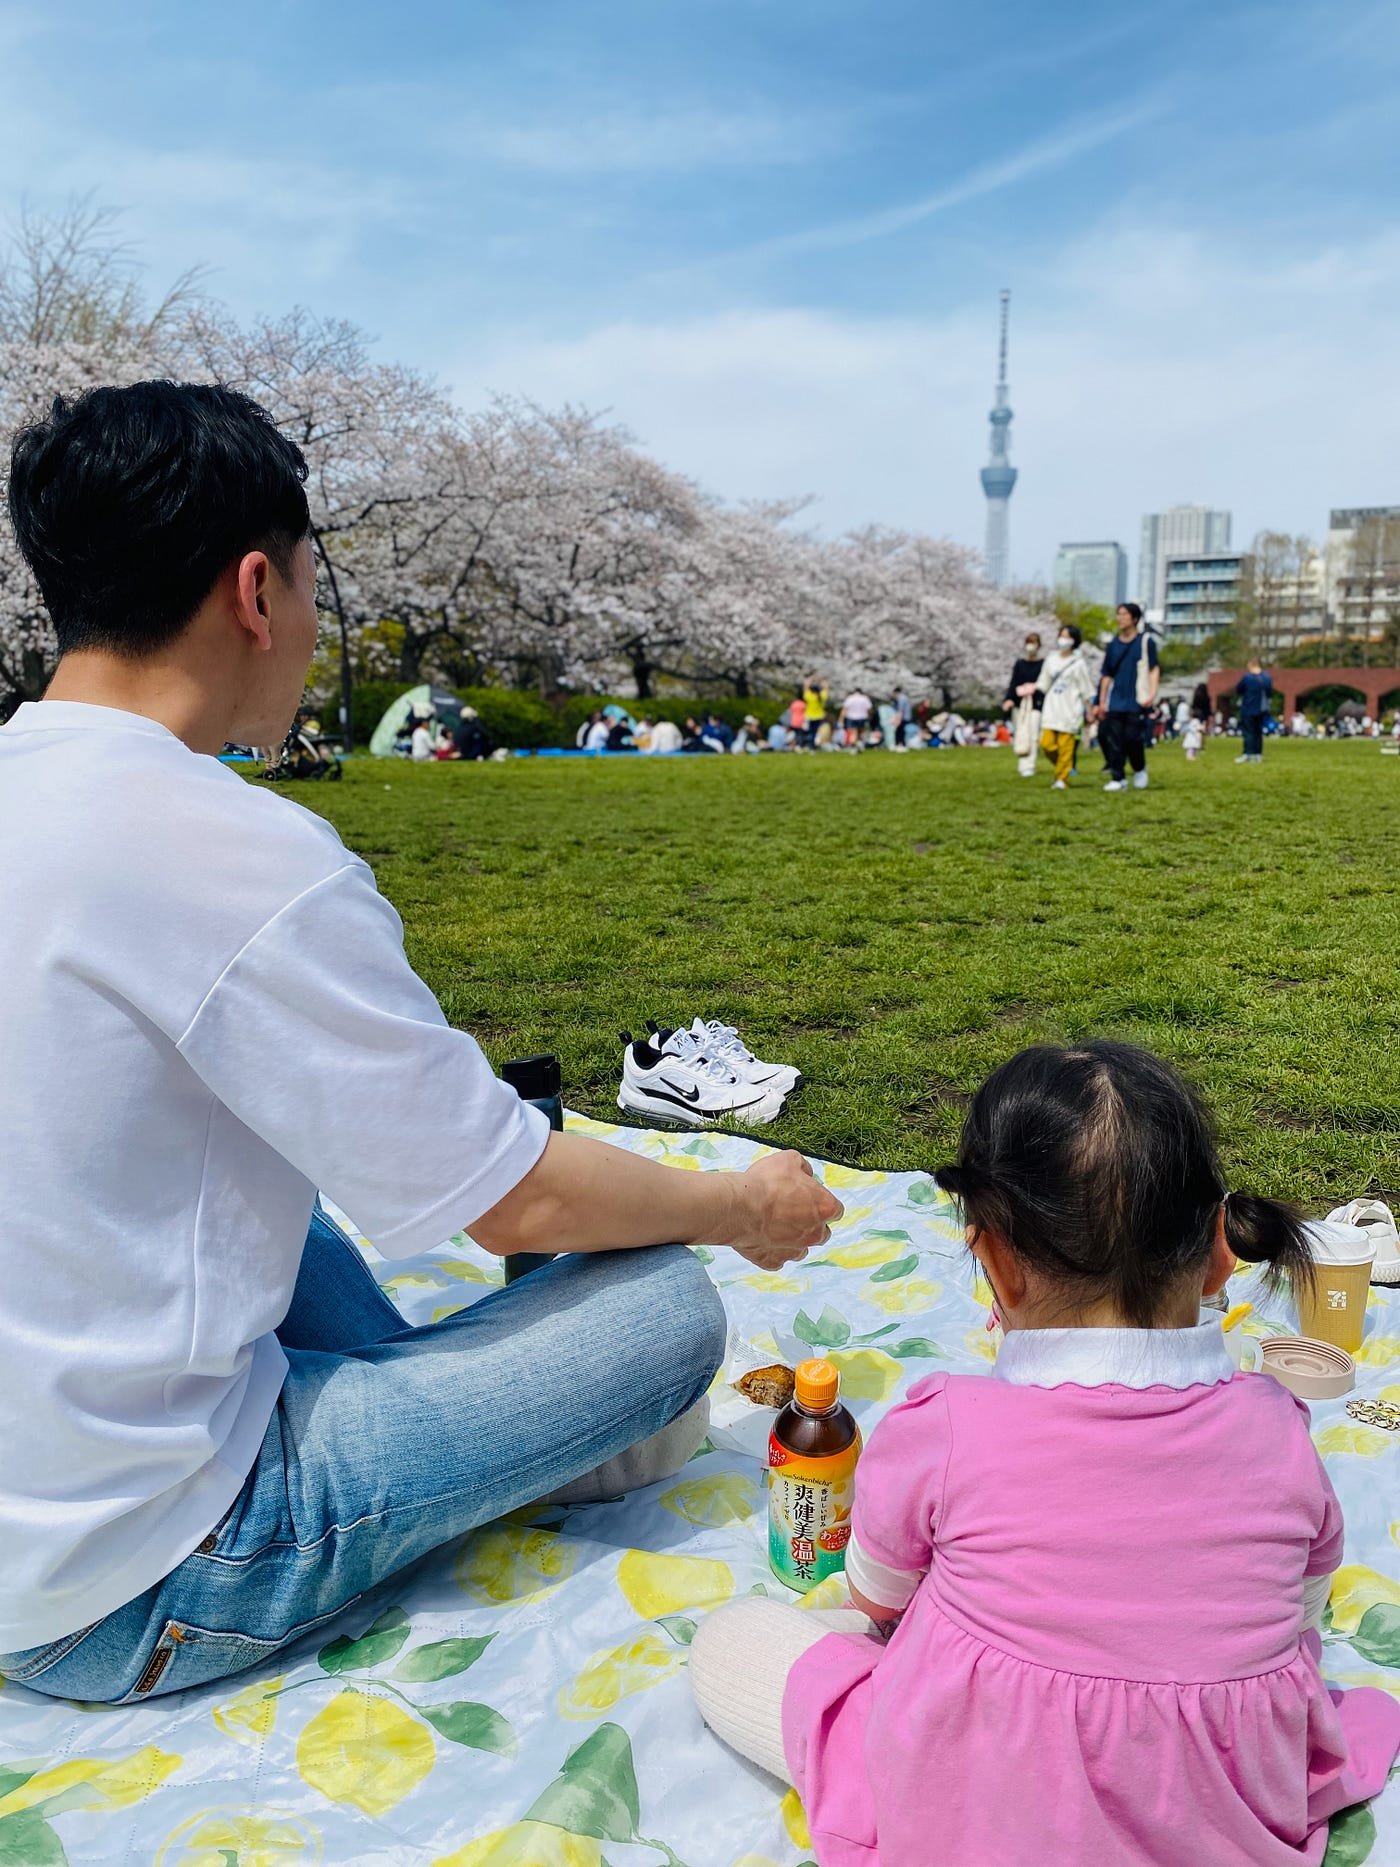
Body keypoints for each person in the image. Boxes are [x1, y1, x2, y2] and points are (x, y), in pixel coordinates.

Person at [0, 381, 841, 1702]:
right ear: (256, 592)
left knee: (302, 1219)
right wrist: (740, 1200)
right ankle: (484, 1435)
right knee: (668, 1308)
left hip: (36, 1463)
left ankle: (456, 1412)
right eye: (314, 583)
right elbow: (512, 1194)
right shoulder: (235, 853)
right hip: (139, 1571)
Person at [691, 1039, 1400, 1865]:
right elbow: (1299, 1620)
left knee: (737, 1638)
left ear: (991, 1258)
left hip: (985, 1795)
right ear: (1218, 1251)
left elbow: (878, 1596)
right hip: (1217, 1803)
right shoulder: (1279, 1427)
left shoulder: (945, 1425)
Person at [1097, 601, 1159, 792]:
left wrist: (1152, 693)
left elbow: (1153, 668)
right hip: (1116, 699)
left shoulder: (1145, 641)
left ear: (1134, 618)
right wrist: (1101, 700)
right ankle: (1118, 777)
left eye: (1124, 614)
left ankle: (1139, 768)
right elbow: (1106, 674)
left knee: (1133, 738)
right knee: (1113, 739)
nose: (1120, 618)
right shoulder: (1113, 645)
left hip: (1136, 698)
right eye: (1118, 614)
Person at [1035, 624, 1097, 791]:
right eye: (1061, 635)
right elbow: (1043, 682)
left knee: (1066, 747)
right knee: (1047, 744)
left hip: (1070, 709)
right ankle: (1063, 767)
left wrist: (1089, 710)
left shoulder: (1079, 663)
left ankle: (1062, 778)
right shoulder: (1051, 659)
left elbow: (1086, 689)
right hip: (1052, 707)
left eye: (1067, 636)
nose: (1063, 639)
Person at [1003, 630, 1044, 779]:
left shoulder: (1043, 664)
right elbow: (1013, 682)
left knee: (1033, 734)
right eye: (1028, 642)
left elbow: (1045, 684)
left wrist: (1034, 688)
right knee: (1021, 733)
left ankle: (1030, 764)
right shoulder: (1020, 664)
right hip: (1020, 705)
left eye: (1033, 643)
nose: (1030, 646)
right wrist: (1009, 699)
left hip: (1035, 705)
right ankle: (1022, 762)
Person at [1235, 659, 1273, 765]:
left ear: (1251, 666)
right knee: (1258, 732)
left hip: (1248, 707)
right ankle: (1258, 754)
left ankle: (1248, 753)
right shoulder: (1267, 677)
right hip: (1262, 709)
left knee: (1249, 732)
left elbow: (1238, 689)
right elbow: (1269, 692)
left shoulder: (1247, 677)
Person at [802, 676, 829, 748]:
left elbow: (805, 688)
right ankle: (812, 746)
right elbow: (826, 689)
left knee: (807, 731)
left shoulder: (809, 696)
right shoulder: (822, 696)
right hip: (819, 716)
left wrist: (809, 679)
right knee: (814, 732)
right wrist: (823, 681)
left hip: (809, 716)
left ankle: (805, 745)